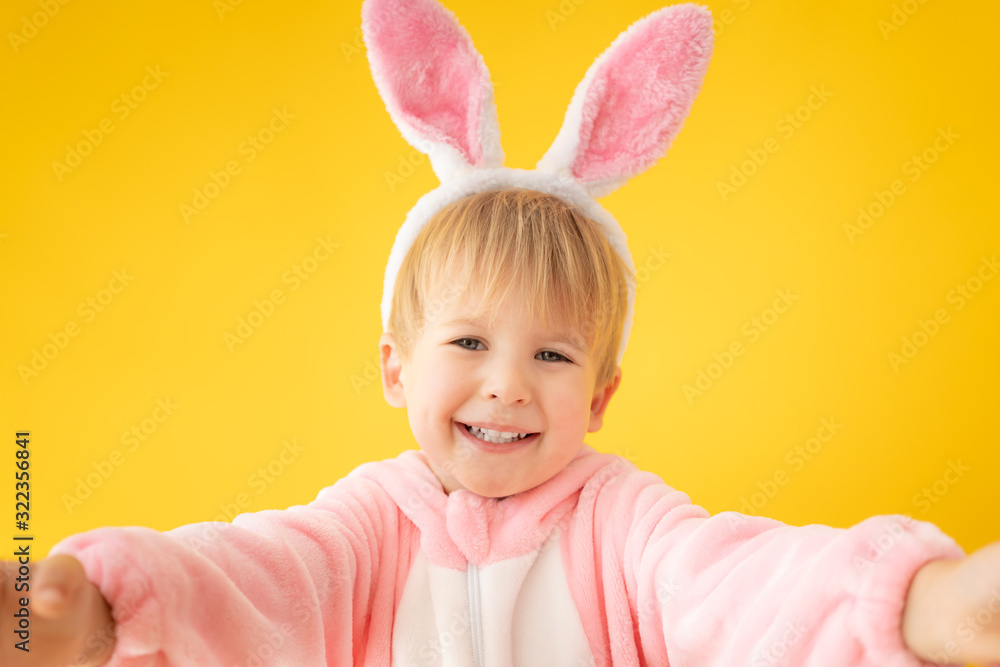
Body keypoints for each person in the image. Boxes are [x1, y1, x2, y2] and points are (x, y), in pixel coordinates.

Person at [5, 1, 1000, 666]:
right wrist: (96, 608)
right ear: (395, 368)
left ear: (601, 394)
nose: (508, 385)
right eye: (469, 344)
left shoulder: (624, 522)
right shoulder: (365, 525)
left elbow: (742, 585)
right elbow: (249, 576)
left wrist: (926, 601)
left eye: (553, 354)